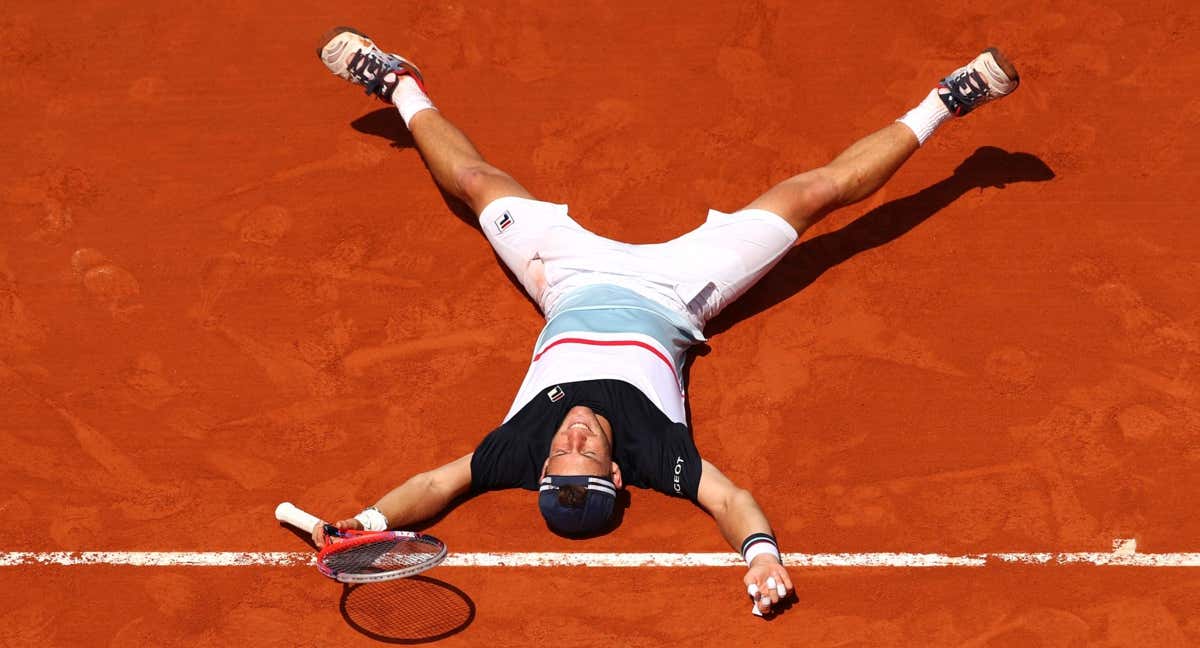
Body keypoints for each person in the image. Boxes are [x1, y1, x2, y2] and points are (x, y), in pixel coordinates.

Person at [310, 26, 1020, 615]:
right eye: (583, 458)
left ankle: (400, 83)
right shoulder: (659, 456)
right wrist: (763, 555)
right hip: (678, 292)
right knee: (813, 195)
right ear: (616, 476)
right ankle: (947, 102)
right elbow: (731, 499)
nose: (572, 440)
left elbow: (435, 486)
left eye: (560, 458)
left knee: (476, 185)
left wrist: (366, 525)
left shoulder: (518, 456)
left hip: (564, 278)